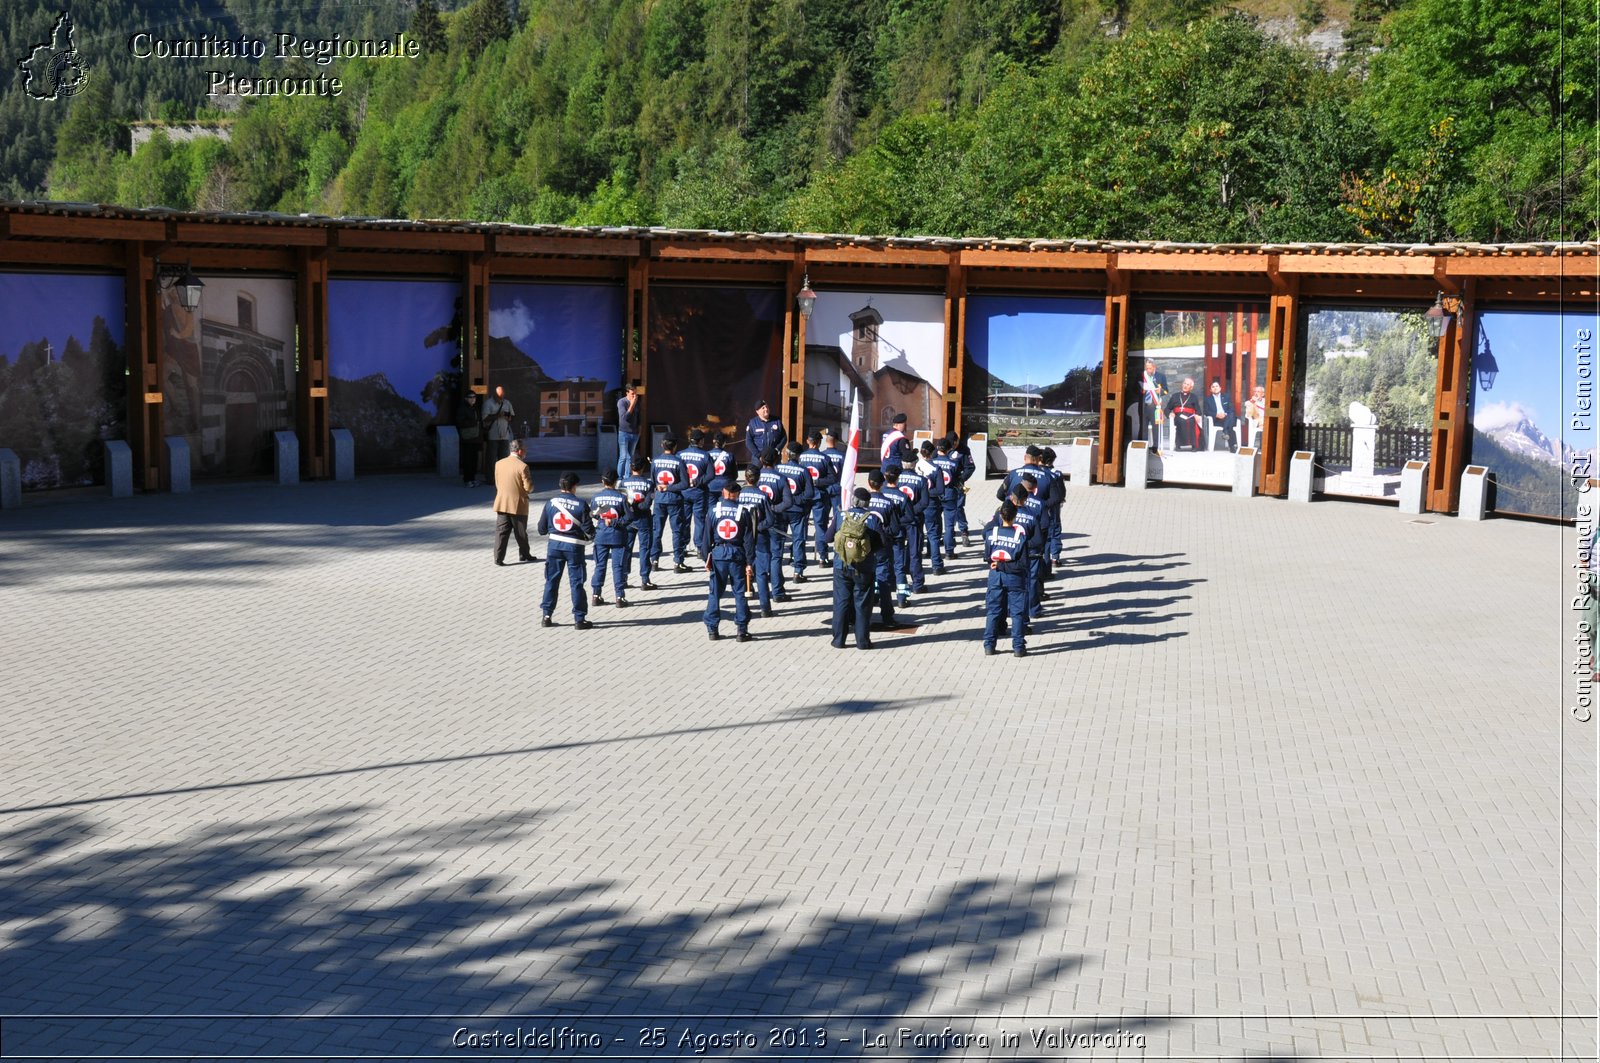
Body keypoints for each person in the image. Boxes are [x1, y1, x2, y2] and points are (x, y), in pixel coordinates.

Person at [536, 471, 595, 629]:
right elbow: (589, 530)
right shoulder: (581, 504)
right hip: (574, 547)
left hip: (554, 547)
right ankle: (579, 619)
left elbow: (541, 529)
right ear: (575, 486)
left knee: (551, 581)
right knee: (576, 582)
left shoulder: (551, 503)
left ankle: (546, 616)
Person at [827, 487, 883, 650]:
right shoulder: (872, 518)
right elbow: (882, 543)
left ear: (853, 500)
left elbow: (828, 537)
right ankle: (863, 642)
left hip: (841, 565)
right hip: (864, 567)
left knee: (841, 602)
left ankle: (838, 640)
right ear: (867, 503)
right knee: (863, 604)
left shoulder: (841, 515)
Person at [704, 480, 756, 642]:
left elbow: (706, 537)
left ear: (724, 493)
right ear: (737, 494)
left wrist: (706, 557)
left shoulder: (714, 510)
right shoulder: (743, 512)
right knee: (740, 593)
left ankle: (712, 630)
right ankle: (741, 630)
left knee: (715, 593)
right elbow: (749, 540)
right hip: (737, 555)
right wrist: (749, 563)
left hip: (718, 554)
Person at [983, 500, 1030, 657]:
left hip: (995, 577)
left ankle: (989, 646)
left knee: (993, 611)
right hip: (1015, 578)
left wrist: (999, 565)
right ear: (1015, 516)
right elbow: (1023, 563)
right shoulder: (1020, 537)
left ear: (1000, 515)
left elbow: (988, 558)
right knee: (1017, 613)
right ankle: (1018, 647)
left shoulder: (991, 534)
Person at [864, 469, 904, 628]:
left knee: (864, 580)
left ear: (868, 483)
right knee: (884, 582)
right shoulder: (889, 503)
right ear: (882, 484)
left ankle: (863, 614)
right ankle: (887, 616)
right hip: (882, 546)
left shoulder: (861, 500)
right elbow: (895, 529)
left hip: (864, 546)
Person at [738, 464, 778, 616]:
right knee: (761, 573)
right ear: (758, 479)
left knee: (742, 571)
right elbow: (770, 519)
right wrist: (758, 527)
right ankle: (765, 608)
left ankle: (742, 607)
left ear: (745, 478)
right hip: (760, 537)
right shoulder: (762, 495)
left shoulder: (739, 494)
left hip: (742, 538)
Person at [589, 470, 631, 608]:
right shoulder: (622, 497)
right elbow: (629, 518)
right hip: (618, 536)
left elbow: (593, 514)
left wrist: (603, 519)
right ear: (615, 482)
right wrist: (615, 522)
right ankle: (619, 597)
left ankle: (596, 595)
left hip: (601, 536)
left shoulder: (596, 497)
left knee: (600, 565)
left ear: (602, 481)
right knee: (618, 566)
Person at [492, 438, 536, 566]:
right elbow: (528, 487)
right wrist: (531, 488)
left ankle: (498, 558)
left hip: (502, 502)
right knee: (521, 532)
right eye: (525, 451)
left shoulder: (499, 463)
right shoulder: (523, 466)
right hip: (518, 504)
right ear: (521, 451)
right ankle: (524, 554)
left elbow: (497, 482)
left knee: (501, 532)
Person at [649, 437, 691, 574]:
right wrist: (669, 487)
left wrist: (662, 487)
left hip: (659, 500)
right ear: (675, 446)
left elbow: (653, 480)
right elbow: (685, 484)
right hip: (674, 500)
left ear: (662, 445)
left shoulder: (655, 461)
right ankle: (677, 562)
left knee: (657, 531)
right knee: (677, 531)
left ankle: (654, 560)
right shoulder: (679, 462)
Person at [776, 441, 816, 582]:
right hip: (797, 511)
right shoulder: (803, 471)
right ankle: (797, 572)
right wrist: (796, 500)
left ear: (787, 454)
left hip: (781, 509)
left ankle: (775, 571)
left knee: (778, 540)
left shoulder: (778, 468)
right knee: (798, 540)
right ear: (799, 455)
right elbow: (810, 493)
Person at [618, 456, 659, 591]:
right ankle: (645, 580)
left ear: (631, 467)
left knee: (626, 548)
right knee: (644, 549)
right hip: (643, 520)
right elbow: (647, 504)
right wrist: (638, 506)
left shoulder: (623, 483)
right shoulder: (649, 484)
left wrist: (630, 508)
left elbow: (621, 503)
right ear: (642, 468)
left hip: (628, 520)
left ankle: (623, 578)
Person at [799, 429, 837, 566]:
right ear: (819, 443)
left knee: (801, 526)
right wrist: (818, 482)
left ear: (808, 442)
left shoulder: (801, 457)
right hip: (819, 495)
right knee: (820, 526)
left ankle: (798, 556)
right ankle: (823, 557)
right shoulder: (825, 458)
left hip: (804, 496)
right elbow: (833, 478)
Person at [915, 440, 948, 576]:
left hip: (916, 505)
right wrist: (927, 493)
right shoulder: (935, 469)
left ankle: (915, 565)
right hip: (930, 504)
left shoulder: (916, 466)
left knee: (917, 535)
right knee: (933, 535)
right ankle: (936, 565)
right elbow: (940, 490)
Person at [679, 431, 712, 558]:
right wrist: (698, 482)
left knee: (684, 520)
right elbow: (710, 475)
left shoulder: (680, 454)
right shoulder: (705, 455)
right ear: (701, 441)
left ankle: (683, 546)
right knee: (700, 520)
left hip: (684, 492)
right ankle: (699, 547)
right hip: (699, 492)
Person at [930, 437, 961, 561]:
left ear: (938, 448)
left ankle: (934, 552)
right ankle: (949, 552)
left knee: (935, 524)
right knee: (949, 526)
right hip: (949, 495)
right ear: (949, 449)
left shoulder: (932, 462)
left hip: (935, 496)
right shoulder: (954, 463)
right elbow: (958, 478)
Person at [1135, 360, 1168, 449]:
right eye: (1146, 368)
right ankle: (1143, 446)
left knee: (1156, 426)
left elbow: (1166, 390)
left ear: (1154, 367)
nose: (1148, 370)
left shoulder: (1161, 376)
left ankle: (1155, 447)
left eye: (1150, 368)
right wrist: (1142, 390)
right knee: (1143, 426)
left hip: (1155, 405)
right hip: (1143, 405)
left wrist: (1160, 391)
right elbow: (1134, 389)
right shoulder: (1141, 376)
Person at [482, 384, 517, 466]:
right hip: (492, 436)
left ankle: (502, 478)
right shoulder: (488, 403)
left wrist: (507, 415)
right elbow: (484, 418)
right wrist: (498, 415)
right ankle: (490, 478)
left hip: (505, 436)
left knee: (504, 460)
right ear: (494, 394)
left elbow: (513, 417)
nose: (501, 398)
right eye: (499, 396)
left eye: (502, 396)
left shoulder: (507, 403)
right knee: (491, 460)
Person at [1166, 377, 1204, 451]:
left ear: (1191, 387)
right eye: (1184, 383)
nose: (1185, 386)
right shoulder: (1175, 396)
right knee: (1181, 421)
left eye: (1188, 384)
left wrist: (1197, 414)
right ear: (1182, 384)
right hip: (1178, 416)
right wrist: (1169, 414)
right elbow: (1167, 408)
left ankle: (1194, 445)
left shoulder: (1194, 397)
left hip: (1190, 416)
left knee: (1191, 422)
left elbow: (1198, 410)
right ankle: (1178, 445)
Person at [746, 399, 786, 464]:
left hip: (774, 458)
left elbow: (784, 438)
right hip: (758, 459)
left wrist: (777, 450)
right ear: (757, 411)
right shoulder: (752, 423)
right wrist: (758, 455)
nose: (766, 409)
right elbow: (748, 441)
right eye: (763, 408)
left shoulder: (777, 421)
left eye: (767, 407)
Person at [457, 388, 483, 486]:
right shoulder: (462, 408)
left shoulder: (475, 408)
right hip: (467, 438)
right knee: (467, 459)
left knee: (474, 459)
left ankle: (472, 478)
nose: (473, 399)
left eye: (474, 397)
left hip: (475, 437)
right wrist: (474, 422)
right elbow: (460, 422)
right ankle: (467, 479)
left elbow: (479, 423)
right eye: (470, 397)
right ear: (466, 398)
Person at [1206, 378, 1238, 452]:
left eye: (1217, 386)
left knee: (1231, 414)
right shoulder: (1208, 399)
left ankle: (1225, 431)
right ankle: (1232, 445)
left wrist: (1225, 414)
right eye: (1213, 387)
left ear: (1220, 388)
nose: (1215, 388)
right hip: (1218, 420)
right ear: (1210, 390)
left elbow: (1231, 408)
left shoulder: (1226, 397)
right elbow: (1206, 412)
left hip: (1228, 417)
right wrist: (1216, 415)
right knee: (1230, 426)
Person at [615, 384, 640, 480]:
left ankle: (627, 477)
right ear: (627, 393)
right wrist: (632, 403)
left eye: (636, 394)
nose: (635, 396)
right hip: (624, 433)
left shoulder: (637, 402)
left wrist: (640, 430)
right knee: (624, 456)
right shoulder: (622, 402)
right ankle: (619, 478)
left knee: (630, 457)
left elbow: (639, 417)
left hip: (634, 433)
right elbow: (624, 417)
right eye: (632, 394)